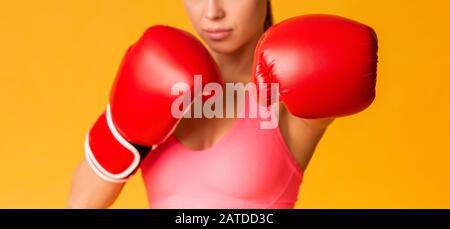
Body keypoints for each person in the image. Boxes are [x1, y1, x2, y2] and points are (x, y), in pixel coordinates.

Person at [68, 0, 377, 209]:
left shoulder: (284, 99)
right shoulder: (158, 73)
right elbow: (81, 203)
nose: (212, 11)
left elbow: (341, 60)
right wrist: (123, 132)